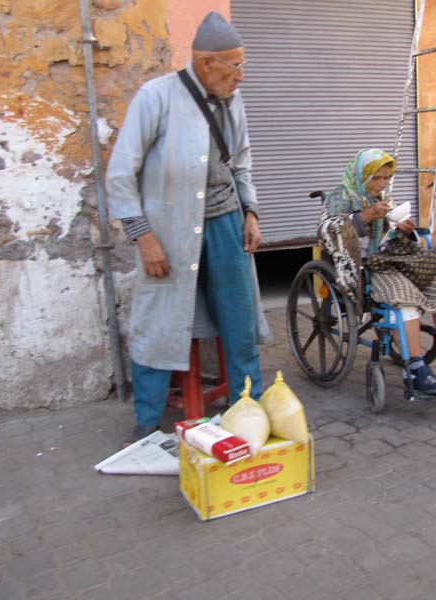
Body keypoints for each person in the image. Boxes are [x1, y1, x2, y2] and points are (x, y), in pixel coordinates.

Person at [105, 12, 271, 443]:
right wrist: (143, 237)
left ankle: (246, 408)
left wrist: (250, 212)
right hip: (167, 234)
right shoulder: (155, 97)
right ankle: (145, 421)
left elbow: (242, 163)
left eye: (242, 65)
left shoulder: (233, 102)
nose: (242, 76)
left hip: (225, 224)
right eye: (235, 66)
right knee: (158, 323)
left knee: (239, 322)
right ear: (205, 64)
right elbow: (120, 174)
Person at [321, 148, 436, 395]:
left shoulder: (383, 199)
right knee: (403, 297)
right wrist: (364, 216)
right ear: (360, 175)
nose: (381, 184)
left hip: (397, 259)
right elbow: (327, 232)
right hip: (367, 267)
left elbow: (392, 234)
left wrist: (405, 229)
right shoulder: (338, 198)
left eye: (386, 178)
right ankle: (415, 367)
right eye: (376, 178)